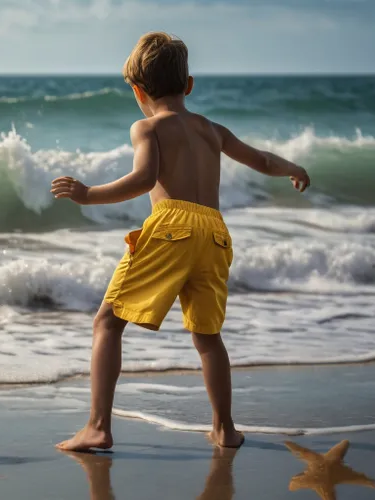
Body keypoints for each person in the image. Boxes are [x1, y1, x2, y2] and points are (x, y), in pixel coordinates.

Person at [50, 31, 310, 452]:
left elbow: (144, 179)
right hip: (215, 233)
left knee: (108, 322)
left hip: (172, 226)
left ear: (137, 90)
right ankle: (224, 428)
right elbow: (261, 160)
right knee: (207, 335)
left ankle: (98, 426)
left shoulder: (146, 127)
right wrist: (293, 167)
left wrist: (88, 194)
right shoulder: (212, 129)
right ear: (188, 85)